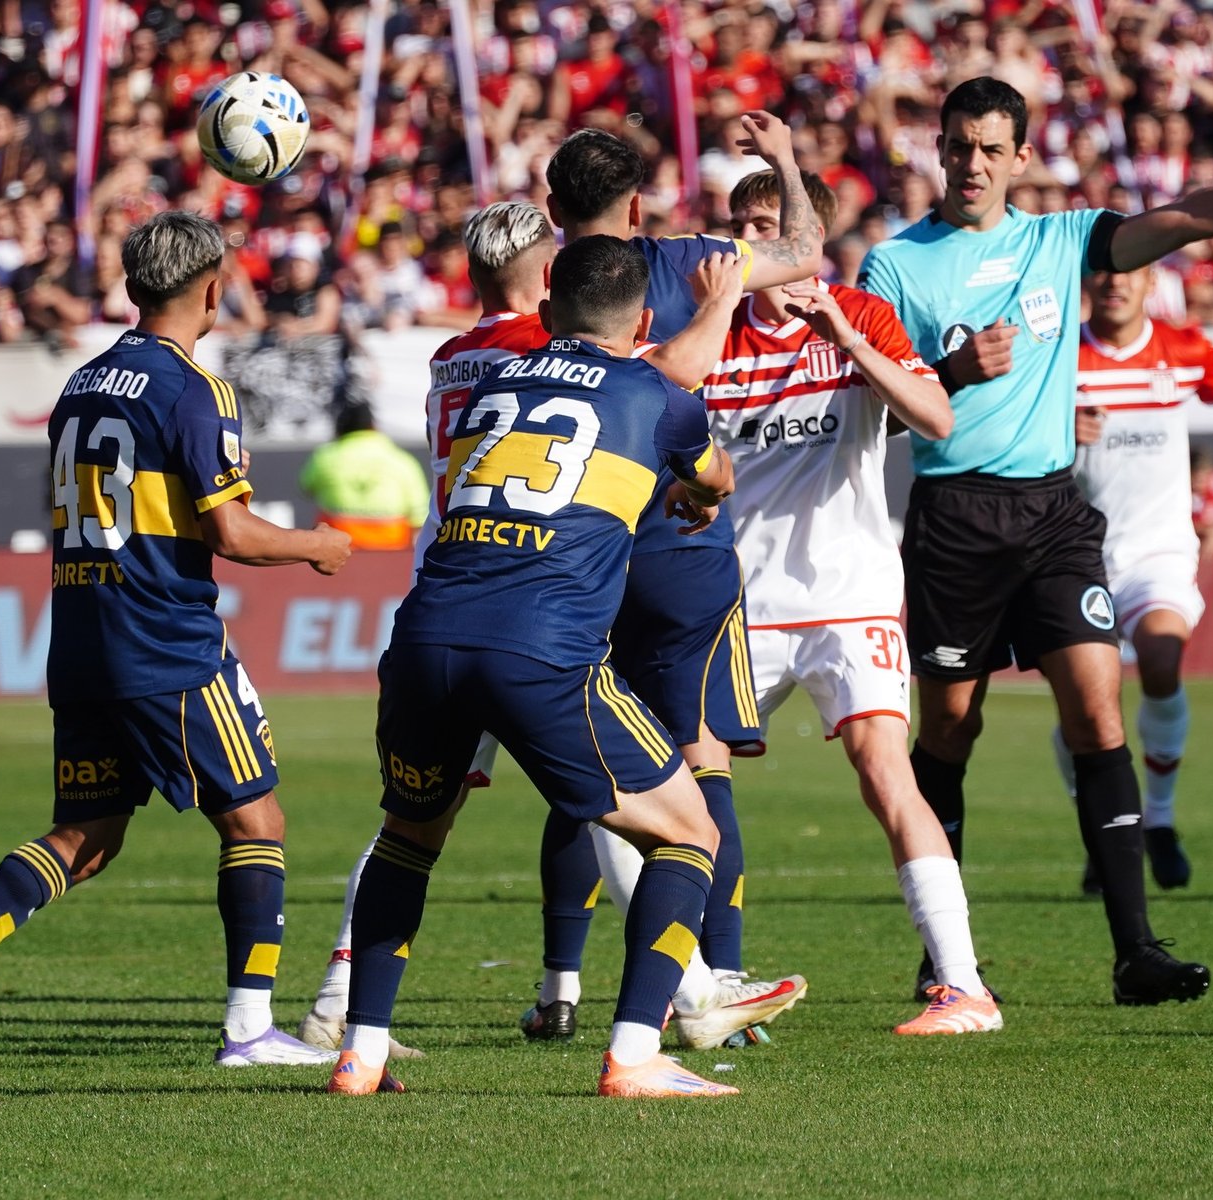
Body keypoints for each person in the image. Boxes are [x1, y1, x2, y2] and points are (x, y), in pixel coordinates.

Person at [857, 76, 1213, 1005]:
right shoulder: (894, 268)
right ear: (937, 148)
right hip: (953, 520)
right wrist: (949, 370)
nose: (972, 163)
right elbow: (875, 412)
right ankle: (945, 957)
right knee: (949, 731)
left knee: (1098, 713)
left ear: (1021, 158)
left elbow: (1182, 219)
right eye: (958, 144)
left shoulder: (1063, 241)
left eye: (990, 148)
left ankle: (1137, 951)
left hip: (1055, 515)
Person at [298, 199, 801, 1059]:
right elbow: (704, 460)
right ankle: (655, 1037)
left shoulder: (471, 367)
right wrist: (692, 465)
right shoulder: (646, 383)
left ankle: (357, 1042)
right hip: (542, 638)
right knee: (684, 829)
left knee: (411, 834)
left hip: (426, 626)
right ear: (640, 321)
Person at [0, 211, 354, 1074]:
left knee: (89, 834)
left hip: (83, 637)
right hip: (165, 640)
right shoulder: (192, 388)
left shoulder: (82, 384)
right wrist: (319, 545)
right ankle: (249, 1030)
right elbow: (233, 534)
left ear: (134, 288)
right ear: (213, 290)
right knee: (256, 818)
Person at [532, 117, 823, 1049]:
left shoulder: (549, 295)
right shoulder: (698, 258)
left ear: (552, 211)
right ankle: (712, 977)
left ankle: (575, 979)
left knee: (590, 770)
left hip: (570, 557)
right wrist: (781, 162)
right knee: (700, 757)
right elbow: (809, 250)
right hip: (677, 545)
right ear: (637, 205)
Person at [707, 169, 1001, 1035]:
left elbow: (937, 417)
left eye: (772, 222)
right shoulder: (711, 335)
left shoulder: (860, 315)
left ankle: (963, 985)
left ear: (811, 235)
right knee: (688, 779)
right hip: (743, 602)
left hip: (850, 595)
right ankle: (718, 985)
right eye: (742, 225)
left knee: (886, 772)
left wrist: (848, 337)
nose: (753, 239)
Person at [1055, 264, 1213, 893]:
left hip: (1158, 550)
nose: (1115, 283)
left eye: (1129, 271)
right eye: (1101, 272)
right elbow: (1003, 429)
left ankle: (1158, 819)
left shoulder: (1183, 348)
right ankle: (1105, 832)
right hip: (1074, 555)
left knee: (1160, 656)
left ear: (1151, 279)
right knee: (1086, 706)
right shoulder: (1059, 358)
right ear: (1086, 283)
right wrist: (1057, 432)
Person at [298, 398, 430, 551]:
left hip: (339, 546)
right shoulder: (402, 460)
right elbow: (420, 514)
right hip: (392, 547)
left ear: (338, 429)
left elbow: (305, 488)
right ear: (373, 426)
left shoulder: (324, 456)